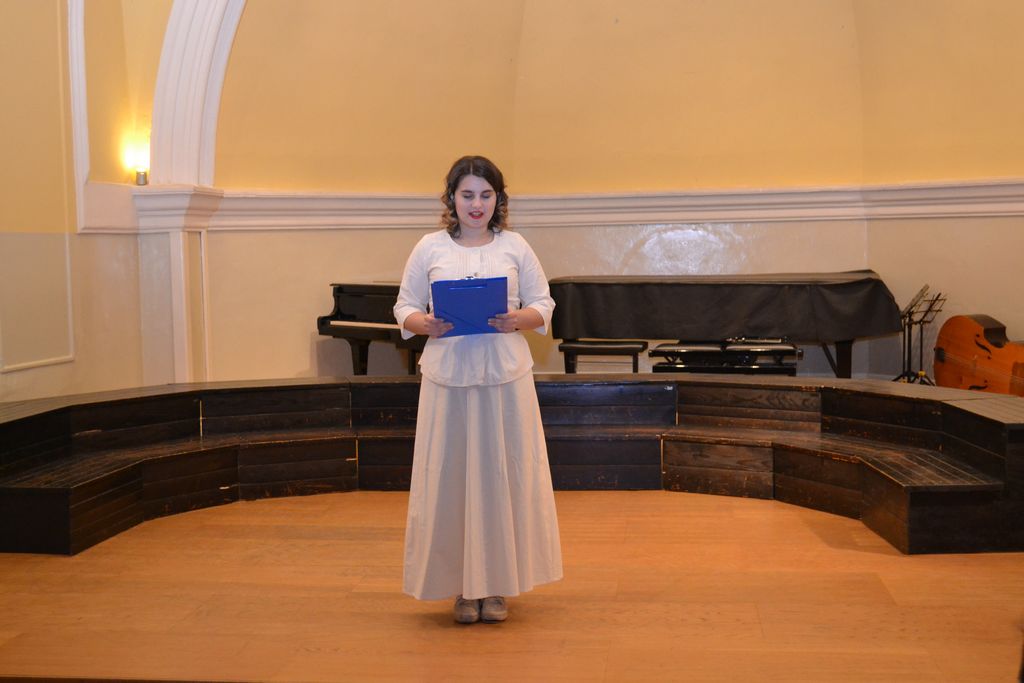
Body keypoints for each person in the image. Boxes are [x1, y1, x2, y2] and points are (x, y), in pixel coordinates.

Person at [393, 155, 563, 624]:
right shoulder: (429, 247)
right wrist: (423, 323)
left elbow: (543, 302)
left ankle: (497, 586)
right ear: (451, 198)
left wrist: (518, 319)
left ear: (498, 199)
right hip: (448, 377)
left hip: (504, 376)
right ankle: (462, 589)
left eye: (486, 195)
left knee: (501, 476)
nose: (476, 204)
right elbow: (404, 306)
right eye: (467, 194)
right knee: (452, 477)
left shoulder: (515, 245)